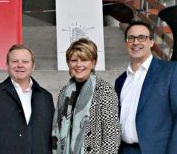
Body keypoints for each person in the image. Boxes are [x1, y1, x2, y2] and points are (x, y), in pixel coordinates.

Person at [0, 44, 54, 154]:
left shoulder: (46, 97)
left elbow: (52, 134)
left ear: (33, 66)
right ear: (7, 65)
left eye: (25, 61)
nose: (20, 65)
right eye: (15, 61)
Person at [115, 21, 177, 154]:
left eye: (142, 37)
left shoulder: (170, 71)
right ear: (126, 43)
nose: (135, 42)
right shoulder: (120, 81)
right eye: (131, 38)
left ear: (151, 42)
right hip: (124, 150)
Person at [52, 38, 120, 154]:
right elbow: (57, 129)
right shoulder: (64, 92)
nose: (79, 65)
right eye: (74, 60)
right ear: (68, 63)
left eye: (84, 60)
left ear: (93, 63)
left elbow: (111, 136)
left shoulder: (105, 90)